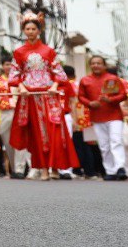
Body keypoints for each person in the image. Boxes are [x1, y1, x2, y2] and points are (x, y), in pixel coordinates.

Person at [7, 14, 77, 179]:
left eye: (33, 29)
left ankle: (55, 168)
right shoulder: (18, 52)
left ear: (39, 31)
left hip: (49, 95)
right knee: (38, 133)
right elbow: (13, 76)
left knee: (54, 131)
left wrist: (54, 86)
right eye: (27, 29)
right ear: (24, 31)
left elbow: (59, 73)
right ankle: (44, 168)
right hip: (30, 97)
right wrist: (22, 87)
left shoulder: (48, 51)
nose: (30, 32)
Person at [77, 54, 128, 180]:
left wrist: (110, 99)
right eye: (93, 63)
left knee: (116, 141)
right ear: (90, 66)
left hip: (114, 115)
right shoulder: (85, 80)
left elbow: (123, 95)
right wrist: (90, 103)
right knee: (104, 145)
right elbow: (81, 96)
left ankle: (120, 167)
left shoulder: (113, 78)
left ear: (104, 65)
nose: (96, 65)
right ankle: (110, 171)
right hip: (97, 116)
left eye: (99, 63)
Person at [0, 60, 28, 178]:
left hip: (18, 111)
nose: (9, 67)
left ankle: (20, 169)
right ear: (2, 66)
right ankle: (14, 168)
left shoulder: (20, 79)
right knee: (8, 142)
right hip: (3, 112)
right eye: (7, 64)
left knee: (19, 139)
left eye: (11, 65)